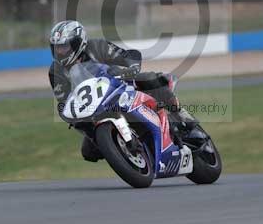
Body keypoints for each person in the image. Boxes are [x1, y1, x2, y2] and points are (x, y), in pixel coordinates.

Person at [48, 20, 193, 162]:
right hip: (94, 108)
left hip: (120, 85)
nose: (60, 51)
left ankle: (180, 113)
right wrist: (68, 114)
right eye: (56, 48)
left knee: (152, 79)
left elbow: (127, 56)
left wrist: (132, 68)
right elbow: (63, 100)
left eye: (64, 47)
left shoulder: (97, 46)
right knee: (88, 152)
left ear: (78, 42)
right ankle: (119, 149)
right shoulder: (56, 71)